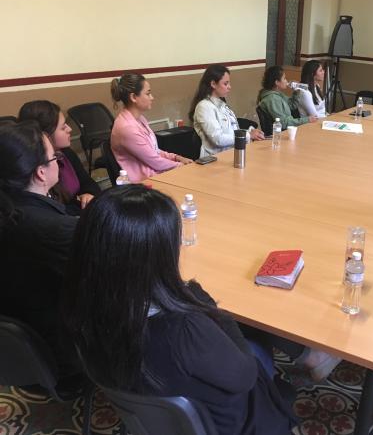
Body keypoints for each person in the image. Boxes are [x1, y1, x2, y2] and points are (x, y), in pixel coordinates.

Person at [62, 185, 296, 435]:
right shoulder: (183, 329)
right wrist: (213, 310)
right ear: (156, 255)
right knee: (258, 342)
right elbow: (246, 376)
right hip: (225, 425)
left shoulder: (79, 304)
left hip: (154, 408)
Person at [0, 121, 78, 374]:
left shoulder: (12, 210)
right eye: (55, 157)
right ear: (41, 173)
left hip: (17, 342)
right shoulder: (53, 228)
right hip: (63, 344)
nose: (58, 162)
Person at [18, 100, 101, 215]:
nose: (69, 129)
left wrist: (88, 194)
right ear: (45, 135)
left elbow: (87, 182)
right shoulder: (37, 168)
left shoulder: (66, 153)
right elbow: (54, 210)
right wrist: (79, 206)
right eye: (63, 127)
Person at [110, 73, 193, 183]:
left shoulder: (139, 119)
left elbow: (154, 151)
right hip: (143, 183)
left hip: (155, 175)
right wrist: (180, 165)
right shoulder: (127, 128)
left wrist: (177, 158)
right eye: (148, 94)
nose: (152, 97)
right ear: (133, 97)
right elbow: (155, 162)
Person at [189, 64, 265, 158]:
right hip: (214, 159)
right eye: (225, 84)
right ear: (213, 84)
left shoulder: (222, 105)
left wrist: (249, 132)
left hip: (231, 154)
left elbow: (231, 132)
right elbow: (218, 139)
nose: (229, 87)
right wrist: (247, 135)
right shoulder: (204, 107)